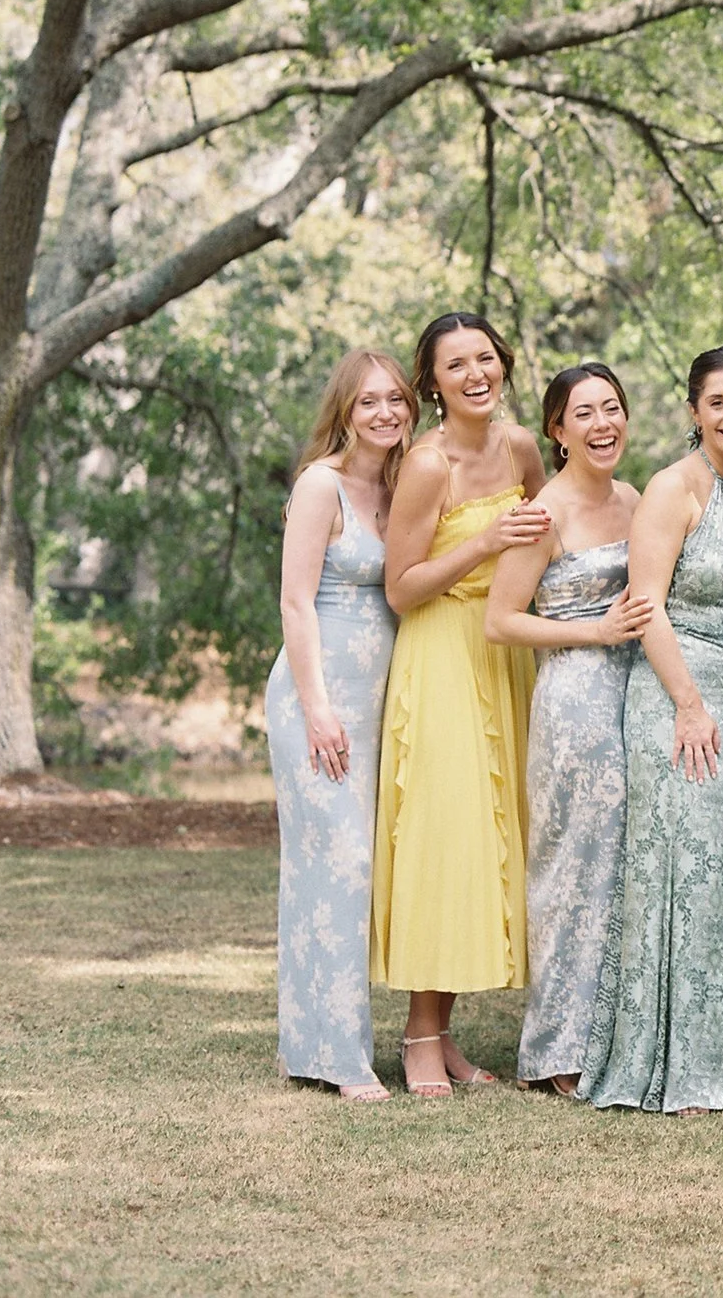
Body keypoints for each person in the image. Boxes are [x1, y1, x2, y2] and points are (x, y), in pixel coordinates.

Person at [580, 346, 723, 1117]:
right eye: (717, 402)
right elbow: (645, 603)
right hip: (677, 690)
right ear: (693, 411)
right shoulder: (674, 486)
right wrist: (690, 703)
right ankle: (672, 1065)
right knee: (680, 871)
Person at [370, 312, 550, 1094]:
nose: (476, 373)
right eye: (456, 365)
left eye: (486, 358)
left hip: (507, 654)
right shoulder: (426, 463)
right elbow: (400, 588)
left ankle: (444, 1035)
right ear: (433, 383)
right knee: (445, 839)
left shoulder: (520, 448)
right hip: (442, 650)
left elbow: (551, 530)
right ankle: (418, 1035)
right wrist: (480, 543)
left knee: (493, 843)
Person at [485, 363, 653, 1094]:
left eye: (611, 408)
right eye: (582, 414)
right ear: (557, 431)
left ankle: (623, 1032)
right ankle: (559, 1048)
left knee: (627, 866)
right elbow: (500, 621)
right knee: (573, 867)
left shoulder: (636, 498)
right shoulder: (543, 513)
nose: (601, 424)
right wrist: (593, 632)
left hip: (637, 693)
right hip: (577, 699)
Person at [266, 348, 413, 1100]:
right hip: (315, 700)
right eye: (369, 403)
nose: (385, 413)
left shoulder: (400, 485)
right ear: (345, 412)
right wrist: (318, 707)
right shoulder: (320, 485)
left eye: (395, 399)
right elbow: (296, 602)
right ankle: (339, 1057)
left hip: (376, 701)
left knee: (353, 869)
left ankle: (309, 1041)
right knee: (338, 864)